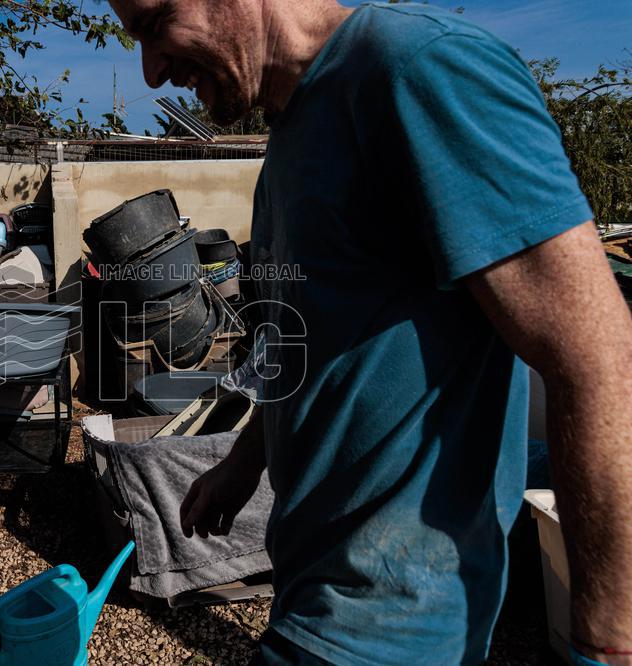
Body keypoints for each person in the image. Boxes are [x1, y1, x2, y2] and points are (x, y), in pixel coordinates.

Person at [107, 0, 632, 664]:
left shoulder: (419, 70)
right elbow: (307, 349)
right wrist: (242, 464)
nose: (151, 72)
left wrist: (607, 642)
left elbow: (598, 356)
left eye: (156, 23)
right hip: (313, 585)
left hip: (393, 615)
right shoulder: (289, 143)